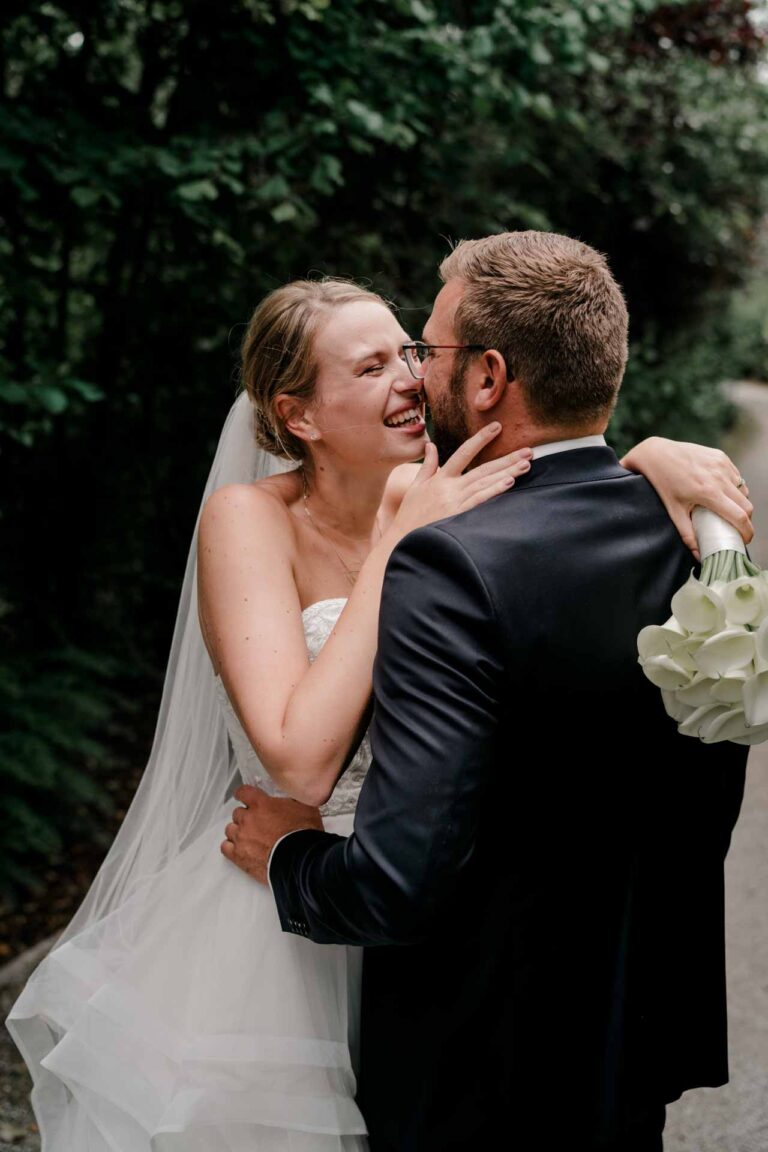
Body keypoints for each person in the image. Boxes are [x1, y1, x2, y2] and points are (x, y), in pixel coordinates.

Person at [6, 268, 752, 1151]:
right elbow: (299, 759)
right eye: (367, 369)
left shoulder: (464, 484)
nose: (406, 376)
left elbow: (557, 460)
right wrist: (402, 540)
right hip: (283, 919)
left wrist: (644, 454)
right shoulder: (248, 518)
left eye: (407, 350)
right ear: (300, 417)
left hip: (441, 916)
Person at [223, 236, 753, 1152]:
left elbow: (398, 879)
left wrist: (289, 860)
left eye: (421, 350)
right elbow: (702, 806)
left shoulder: (447, 556)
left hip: (468, 1050)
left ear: (487, 379)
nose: (409, 375)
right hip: (629, 1031)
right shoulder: (698, 537)